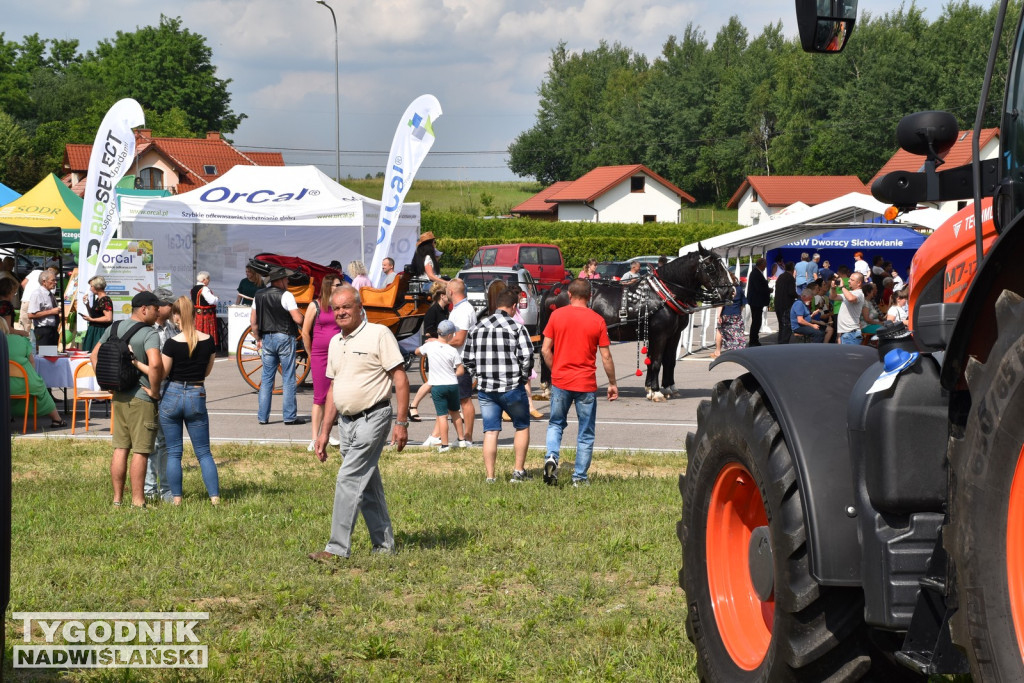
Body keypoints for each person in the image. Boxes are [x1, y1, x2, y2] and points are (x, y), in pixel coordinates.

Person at [308, 285, 410, 562]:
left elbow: (400, 379)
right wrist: (323, 432)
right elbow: (333, 390)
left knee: (348, 478)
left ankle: (336, 549)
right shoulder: (335, 342)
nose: (340, 312)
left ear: (359, 306)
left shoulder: (378, 334)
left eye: (346, 307)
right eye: (336, 308)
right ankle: (384, 546)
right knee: (366, 485)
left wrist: (401, 422)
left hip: (373, 418)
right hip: (346, 423)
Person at [541, 278, 619, 487]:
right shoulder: (597, 320)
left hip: (560, 381)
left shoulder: (557, 315)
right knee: (585, 432)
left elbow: (545, 349)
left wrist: (555, 370)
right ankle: (579, 478)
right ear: (590, 296)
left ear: (569, 295)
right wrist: (612, 383)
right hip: (585, 384)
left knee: (556, 424)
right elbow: (606, 357)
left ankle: (551, 456)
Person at [91, 291, 164, 508]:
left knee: (120, 448)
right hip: (141, 397)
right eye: (155, 308)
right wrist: (155, 390)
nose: (158, 311)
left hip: (118, 396)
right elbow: (156, 365)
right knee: (141, 451)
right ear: (144, 309)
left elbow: (94, 355)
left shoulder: (113, 327)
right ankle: (138, 501)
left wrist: (107, 382)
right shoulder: (149, 333)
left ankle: (116, 500)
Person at [462, 289, 535, 483]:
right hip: (512, 386)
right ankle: (518, 472)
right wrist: (523, 376)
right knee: (521, 426)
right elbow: (527, 356)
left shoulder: (476, 328)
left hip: (486, 390)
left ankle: (490, 476)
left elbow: (467, 359)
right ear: (513, 307)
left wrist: (478, 376)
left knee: (491, 431)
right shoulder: (517, 328)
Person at [159, 296, 220, 506]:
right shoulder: (208, 341)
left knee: (174, 452)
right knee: (203, 452)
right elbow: (207, 372)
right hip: (196, 392)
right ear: (194, 315)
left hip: (173, 394)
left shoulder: (171, 344)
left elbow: (164, 373)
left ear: (176, 316)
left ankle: (176, 498)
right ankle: (215, 497)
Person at [251, 267, 306, 426]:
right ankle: (289, 417)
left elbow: (253, 320)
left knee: (267, 379)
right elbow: (297, 319)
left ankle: (262, 417)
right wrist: (305, 319)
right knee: (288, 377)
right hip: (284, 336)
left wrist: (258, 337)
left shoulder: (259, 295)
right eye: (286, 279)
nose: (288, 281)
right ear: (280, 280)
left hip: (267, 337)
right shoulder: (286, 295)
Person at [301, 273, 344, 450]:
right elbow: (305, 332)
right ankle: (314, 437)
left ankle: (327, 433)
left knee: (334, 396)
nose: (340, 287)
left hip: (338, 353)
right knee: (319, 397)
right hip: (320, 354)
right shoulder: (315, 306)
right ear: (328, 286)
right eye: (337, 285)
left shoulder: (338, 306)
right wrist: (311, 353)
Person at [144, 288, 179, 503]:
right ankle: (149, 489)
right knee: (149, 441)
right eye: (169, 305)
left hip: (169, 390)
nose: (172, 308)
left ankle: (166, 490)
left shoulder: (172, 329)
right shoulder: (147, 331)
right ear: (159, 307)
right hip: (149, 389)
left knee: (165, 441)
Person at [3, 317, 65, 428]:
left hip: (4, 383)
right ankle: (57, 419)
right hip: (24, 382)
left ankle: (9, 414)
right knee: (41, 391)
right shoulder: (21, 340)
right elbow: (32, 362)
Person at [414, 320, 466, 452]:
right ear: (449, 335)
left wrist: (426, 348)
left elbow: (416, 352)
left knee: (442, 416)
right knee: (455, 412)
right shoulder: (452, 350)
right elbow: (460, 370)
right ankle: (461, 440)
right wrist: (453, 374)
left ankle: (444, 444)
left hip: (437, 385)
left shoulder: (430, 346)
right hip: (452, 384)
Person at [409, 281, 449, 426]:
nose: (450, 296)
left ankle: (453, 409)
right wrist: (437, 339)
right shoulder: (433, 311)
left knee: (440, 381)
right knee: (433, 381)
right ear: (442, 296)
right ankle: (413, 405)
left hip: (443, 348)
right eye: (448, 293)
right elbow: (428, 333)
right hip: (435, 350)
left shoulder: (445, 310)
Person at [445, 278, 477, 445]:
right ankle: (459, 436)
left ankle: (468, 437)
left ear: (451, 292)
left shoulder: (464, 310)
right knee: (456, 399)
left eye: (446, 290)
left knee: (465, 399)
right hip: (457, 360)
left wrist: (440, 343)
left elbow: (459, 339)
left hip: (463, 360)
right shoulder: (459, 308)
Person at [713, 273, 746, 357]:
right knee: (737, 332)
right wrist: (739, 312)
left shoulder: (724, 289)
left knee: (720, 331)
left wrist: (718, 316)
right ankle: (739, 350)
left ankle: (717, 351)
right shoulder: (739, 289)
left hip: (725, 314)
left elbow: (721, 304)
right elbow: (743, 304)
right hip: (736, 314)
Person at [27, 269, 61, 348]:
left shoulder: (50, 294)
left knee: (52, 356)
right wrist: (51, 311)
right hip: (43, 332)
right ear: (44, 281)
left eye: (55, 280)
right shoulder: (37, 294)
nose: (55, 282)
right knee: (45, 357)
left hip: (52, 331)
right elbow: (31, 315)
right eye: (53, 280)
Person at [80, 275, 113, 353]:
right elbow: (94, 315)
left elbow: (108, 318)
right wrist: (87, 304)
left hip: (100, 332)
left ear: (96, 287)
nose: (90, 288)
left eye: (91, 286)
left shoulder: (105, 300)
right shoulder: (98, 299)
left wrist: (92, 319)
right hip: (94, 330)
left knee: (97, 353)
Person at [832, 271, 866, 345]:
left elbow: (850, 299)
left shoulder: (859, 293)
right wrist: (833, 288)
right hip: (845, 334)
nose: (848, 281)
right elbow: (833, 297)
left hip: (851, 334)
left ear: (859, 283)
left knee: (850, 357)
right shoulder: (849, 293)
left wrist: (842, 287)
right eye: (849, 279)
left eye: (852, 280)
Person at [746, 258, 770, 347]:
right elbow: (758, 288)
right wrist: (768, 290)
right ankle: (753, 340)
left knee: (757, 321)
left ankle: (755, 339)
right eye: (765, 264)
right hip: (756, 301)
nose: (765, 266)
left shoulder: (757, 273)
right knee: (756, 321)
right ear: (761, 264)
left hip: (757, 301)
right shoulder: (755, 273)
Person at [191, 271, 219, 346]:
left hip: (197, 315)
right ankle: (207, 346)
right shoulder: (204, 289)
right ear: (204, 280)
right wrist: (216, 298)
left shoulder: (194, 289)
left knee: (198, 330)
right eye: (208, 279)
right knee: (206, 332)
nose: (209, 281)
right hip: (206, 315)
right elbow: (212, 301)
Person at [773, 262, 797, 345]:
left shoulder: (781, 276)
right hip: (786, 304)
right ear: (793, 269)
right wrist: (798, 296)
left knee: (781, 324)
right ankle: (783, 342)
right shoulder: (790, 278)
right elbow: (791, 292)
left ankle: (780, 341)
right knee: (786, 325)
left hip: (778, 303)